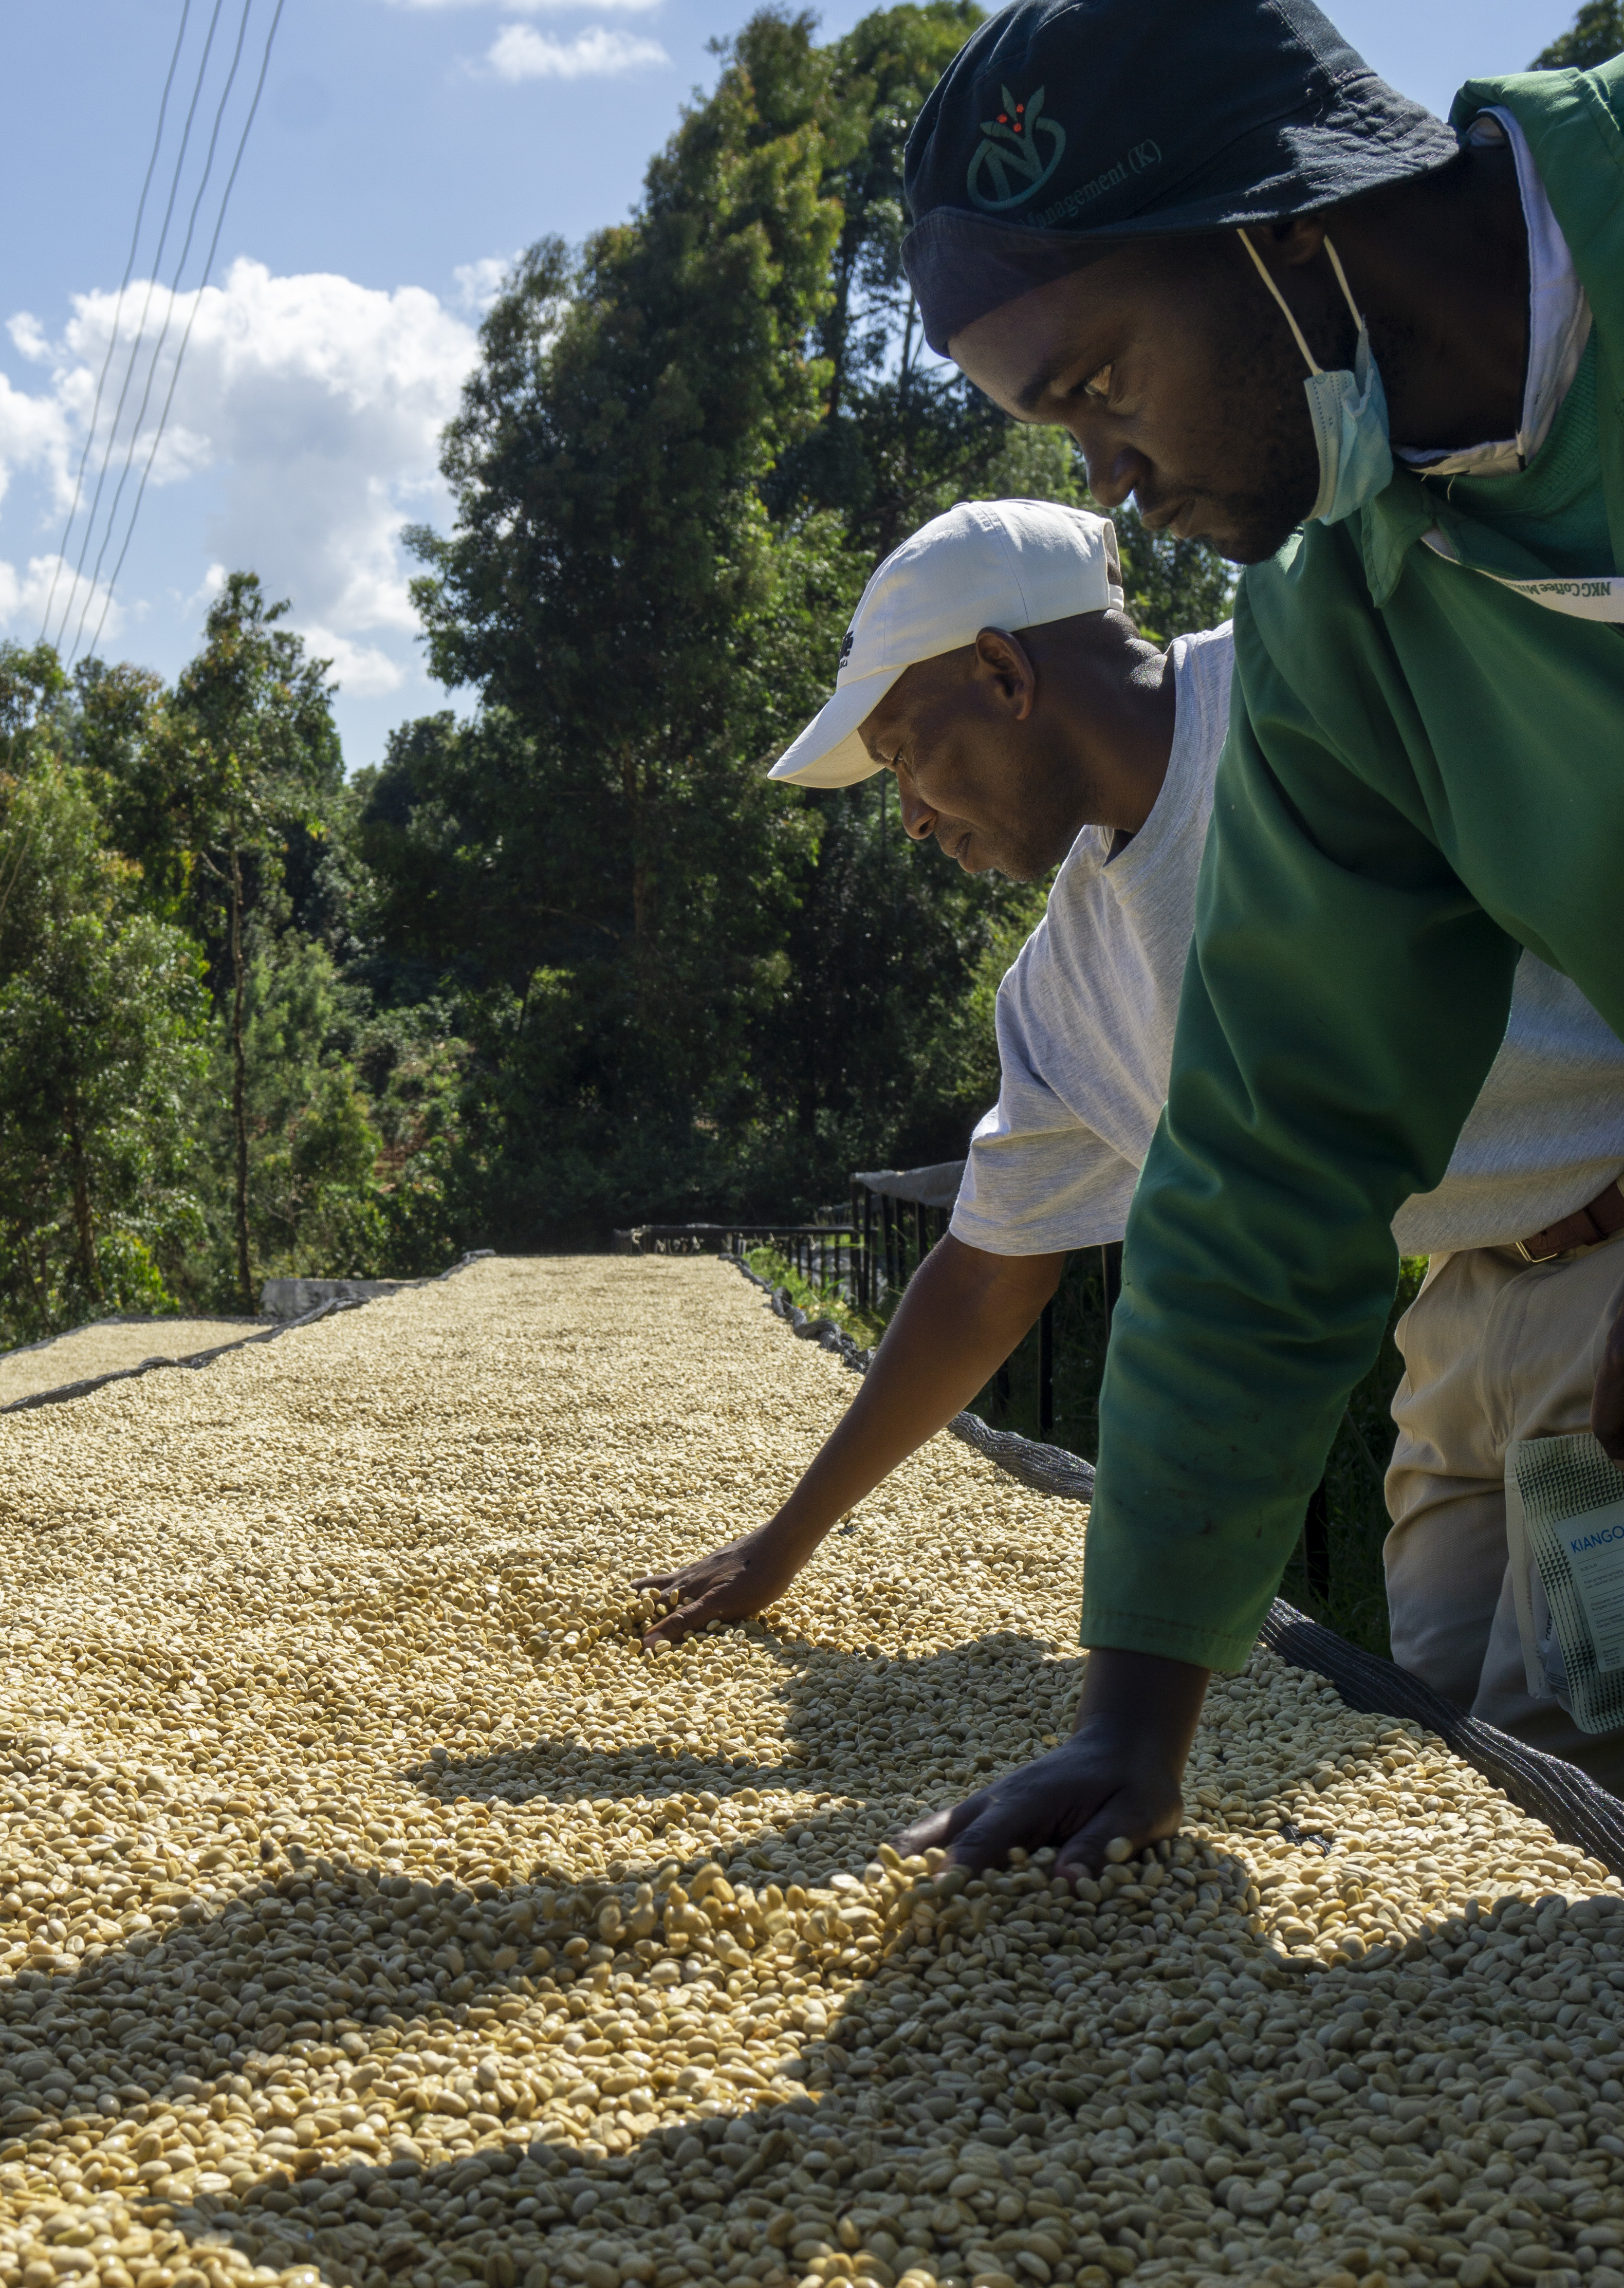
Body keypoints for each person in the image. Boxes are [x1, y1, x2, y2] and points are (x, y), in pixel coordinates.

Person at [869, 0, 1624, 1874]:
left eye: (1104, 381)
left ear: (1289, 227)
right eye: (1064, 435)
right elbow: (1273, 1143)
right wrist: (1136, 1721)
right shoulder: (1344, 627)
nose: (1113, 482)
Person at [635, 496, 1624, 1791]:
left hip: (1603, 1270)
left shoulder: (1327, 680)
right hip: (1457, 1311)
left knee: (1575, 1757)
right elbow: (988, 1275)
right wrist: (783, 1545)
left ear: (1002, 672)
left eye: (902, 754)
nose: (911, 818)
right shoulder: (1066, 987)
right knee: (1430, 1742)